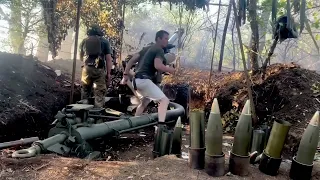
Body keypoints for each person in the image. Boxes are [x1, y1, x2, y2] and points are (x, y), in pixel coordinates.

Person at [129, 30, 175, 125]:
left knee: (144, 102)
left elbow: (132, 59)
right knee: (164, 100)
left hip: (136, 81)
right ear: (158, 39)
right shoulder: (159, 50)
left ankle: (134, 123)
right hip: (144, 81)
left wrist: (125, 74)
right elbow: (158, 66)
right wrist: (171, 70)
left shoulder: (146, 48)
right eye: (165, 38)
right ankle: (161, 126)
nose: (167, 41)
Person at [79, 25, 113, 107]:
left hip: (86, 69)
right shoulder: (104, 41)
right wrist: (109, 73)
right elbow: (108, 59)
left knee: (85, 91)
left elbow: (80, 57)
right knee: (99, 93)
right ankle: (97, 115)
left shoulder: (84, 41)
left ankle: (82, 112)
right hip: (99, 70)